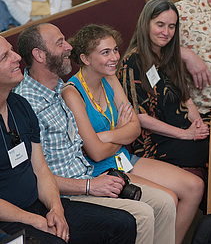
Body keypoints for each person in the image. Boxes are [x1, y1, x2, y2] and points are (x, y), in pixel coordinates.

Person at [15, 23, 177, 244]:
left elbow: (131, 127)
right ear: (39, 55)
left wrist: (110, 141)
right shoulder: (27, 103)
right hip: (70, 191)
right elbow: (38, 175)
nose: (69, 47)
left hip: (91, 175)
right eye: (60, 43)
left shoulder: (57, 89)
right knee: (142, 215)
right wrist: (91, 185)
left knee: (165, 203)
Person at [63, 24, 203, 244]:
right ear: (85, 58)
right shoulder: (71, 92)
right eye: (105, 52)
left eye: (116, 49)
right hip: (102, 169)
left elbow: (134, 128)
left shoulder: (109, 78)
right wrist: (119, 132)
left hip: (123, 159)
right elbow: (96, 153)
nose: (115, 57)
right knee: (168, 199)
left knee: (194, 186)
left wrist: (107, 135)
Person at [0, 35, 137, 244]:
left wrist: (56, 209)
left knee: (123, 223)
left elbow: (41, 170)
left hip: (39, 203)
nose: (17, 57)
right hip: (9, 218)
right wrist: (34, 220)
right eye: (5, 57)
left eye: (12, 50)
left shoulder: (20, 106)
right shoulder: (30, 99)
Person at [118, 0, 209, 169]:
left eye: (171, 26)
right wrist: (186, 135)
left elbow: (186, 100)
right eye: (160, 25)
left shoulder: (169, 56)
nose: (166, 32)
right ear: (146, 24)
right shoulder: (133, 62)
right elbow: (140, 117)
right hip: (154, 143)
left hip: (182, 129)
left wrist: (198, 125)